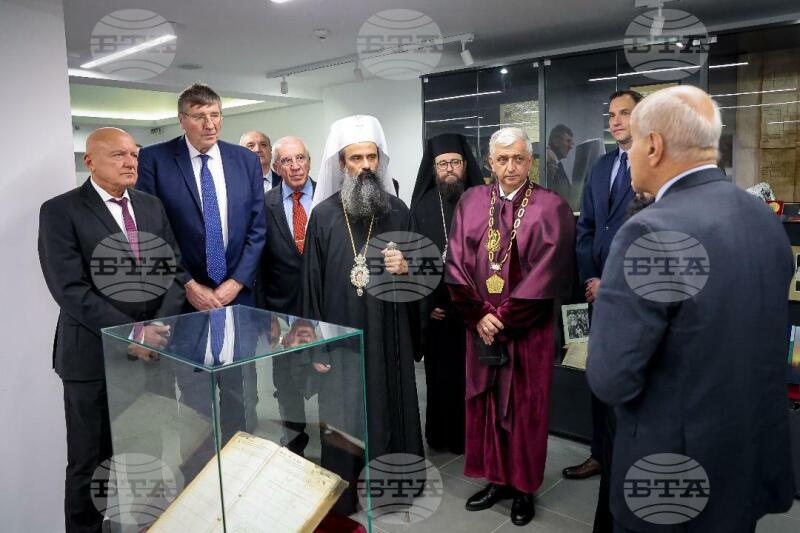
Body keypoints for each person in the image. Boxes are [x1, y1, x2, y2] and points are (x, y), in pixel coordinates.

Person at [586, 85, 796, 533]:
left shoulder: (648, 232)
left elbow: (610, 377)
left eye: (634, 141)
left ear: (653, 145)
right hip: (745, 456)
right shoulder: (762, 216)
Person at [38, 127, 187, 533]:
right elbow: (69, 288)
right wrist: (132, 335)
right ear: (89, 162)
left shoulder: (151, 206)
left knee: (147, 453)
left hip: (152, 356)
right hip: (92, 359)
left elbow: (173, 271)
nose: (130, 162)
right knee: (90, 461)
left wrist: (157, 327)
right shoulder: (60, 210)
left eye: (134, 154)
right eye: (118, 155)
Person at [446, 127, 575, 526]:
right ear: (490, 162)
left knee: (524, 411)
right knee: (486, 406)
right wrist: (478, 314)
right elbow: (455, 262)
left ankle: (523, 488)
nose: (510, 167)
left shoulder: (551, 206)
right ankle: (497, 481)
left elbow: (549, 273)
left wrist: (502, 318)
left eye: (518, 158)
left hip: (528, 333)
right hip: (480, 329)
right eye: (502, 159)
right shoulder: (471, 201)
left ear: (530, 161)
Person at [302, 114, 424, 513]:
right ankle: (345, 490)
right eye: (356, 158)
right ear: (342, 164)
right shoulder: (323, 216)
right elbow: (311, 286)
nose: (365, 166)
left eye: (371, 157)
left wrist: (406, 268)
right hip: (340, 338)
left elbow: (423, 277)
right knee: (343, 410)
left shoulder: (399, 211)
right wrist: (316, 346)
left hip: (389, 335)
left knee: (389, 405)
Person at [565, 89, 643, 483]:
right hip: (596, 294)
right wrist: (590, 279)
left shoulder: (652, 165)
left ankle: (629, 461)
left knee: (631, 380)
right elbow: (587, 228)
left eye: (625, 113)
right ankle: (599, 453)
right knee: (599, 374)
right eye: (611, 115)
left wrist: (610, 283)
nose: (616, 121)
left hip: (634, 298)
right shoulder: (601, 166)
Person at [137, 83, 266, 311]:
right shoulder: (154, 160)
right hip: (181, 296)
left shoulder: (246, 160)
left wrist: (237, 281)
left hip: (238, 294)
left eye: (215, 115)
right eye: (199, 117)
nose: (210, 125)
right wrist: (188, 284)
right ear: (182, 120)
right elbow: (150, 231)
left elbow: (257, 228)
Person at [409, 133, 483, 454]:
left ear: (465, 165)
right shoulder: (422, 206)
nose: (449, 168)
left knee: (474, 378)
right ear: (434, 168)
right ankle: (441, 435)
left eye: (455, 162)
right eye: (442, 164)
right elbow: (414, 259)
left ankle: (474, 438)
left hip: (475, 313)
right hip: (438, 311)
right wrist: (427, 304)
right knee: (441, 378)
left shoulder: (482, 200)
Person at [259, 136, 316, 455]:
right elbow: (259, 264)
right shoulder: (263, 204)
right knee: (287, 385)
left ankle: (338, 447)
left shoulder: (329, 197)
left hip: (325, 310)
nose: (295, 166)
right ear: (276, 167)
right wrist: (267, 315)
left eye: (300, 158)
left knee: (330, 378)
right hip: (283, 312)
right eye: (286, 161)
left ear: (309, 160)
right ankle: (295, 446)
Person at [546, 124, 575, 204]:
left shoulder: (558, 164)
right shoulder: (547, 163)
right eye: (568, 141)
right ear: (555, 141)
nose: (570, 147)